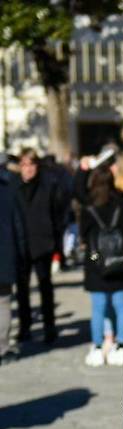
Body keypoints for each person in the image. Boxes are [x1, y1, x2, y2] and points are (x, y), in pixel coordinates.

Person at [80, 166, 123, 367]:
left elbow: (84, 235)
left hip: (96, 264)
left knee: (98, 307)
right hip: (119, 262)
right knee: (121, 305)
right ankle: (121, 346)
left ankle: (97, 347)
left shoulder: (88, 208)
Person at [15, 148, 65, 345]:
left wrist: (57, 246)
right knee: (22, 289)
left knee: (45, 287)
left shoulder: (48, 186)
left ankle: (49, 327)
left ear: (37, 166)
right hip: (21, 245)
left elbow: (57, 215)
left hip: (43, 243)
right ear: (20, 167)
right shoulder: (14, 187)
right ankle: (25, 327)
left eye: (31, 164)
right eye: (24, 165)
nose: (28, 169)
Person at [0, 156, 27, 365]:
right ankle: (2, 347)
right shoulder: (9, 190)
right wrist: (21, 253)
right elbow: (19, 226)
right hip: (5, 256)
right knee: (3, 303)